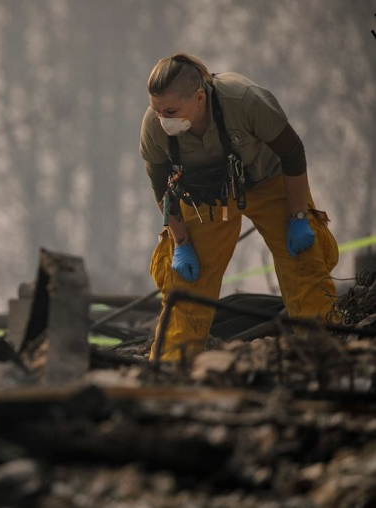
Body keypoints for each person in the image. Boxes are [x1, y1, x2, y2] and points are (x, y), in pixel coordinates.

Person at [138, 53, 339, 362]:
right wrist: (180, 243)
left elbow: (293, 153)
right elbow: (161, 189)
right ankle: (168, 368)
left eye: (171, 111)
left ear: (199, 97)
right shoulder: (155, 127)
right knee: (186, 286)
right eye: (156, 109)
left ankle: (326, 352)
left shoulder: (245, 101)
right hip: (206, 199)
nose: (162, 118)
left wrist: (298, 217)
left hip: (267, 181)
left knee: (303, 263)